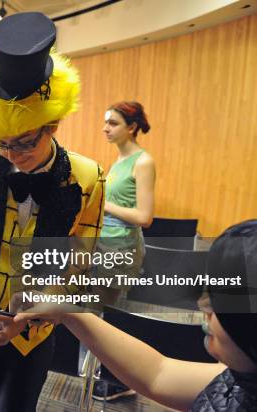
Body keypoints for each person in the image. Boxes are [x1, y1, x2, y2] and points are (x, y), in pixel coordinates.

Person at [0, 12, 104, 411]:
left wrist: (28, 318)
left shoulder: (87, 177)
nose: (11, 156)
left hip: (36, 333)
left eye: (24, 143)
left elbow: (79, 263)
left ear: (52, 125)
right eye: (0, 143)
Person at [16, 219, 257, 411]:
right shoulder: (242, 376)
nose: (203, 306)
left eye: (218, 301)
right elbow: (157, 373)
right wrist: (68, 313)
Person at [93, 100, 156, 401]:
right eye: (105, 122)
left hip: (122, 249)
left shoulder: (143, 162)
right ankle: (106, 375)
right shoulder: (117, 161)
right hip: (103, 245)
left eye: (113, 122)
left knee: (109, 317)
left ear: (131, 127)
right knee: (97, 312)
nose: (105, 128)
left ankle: (119, 381)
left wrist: (102, 203)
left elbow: (144, 216)